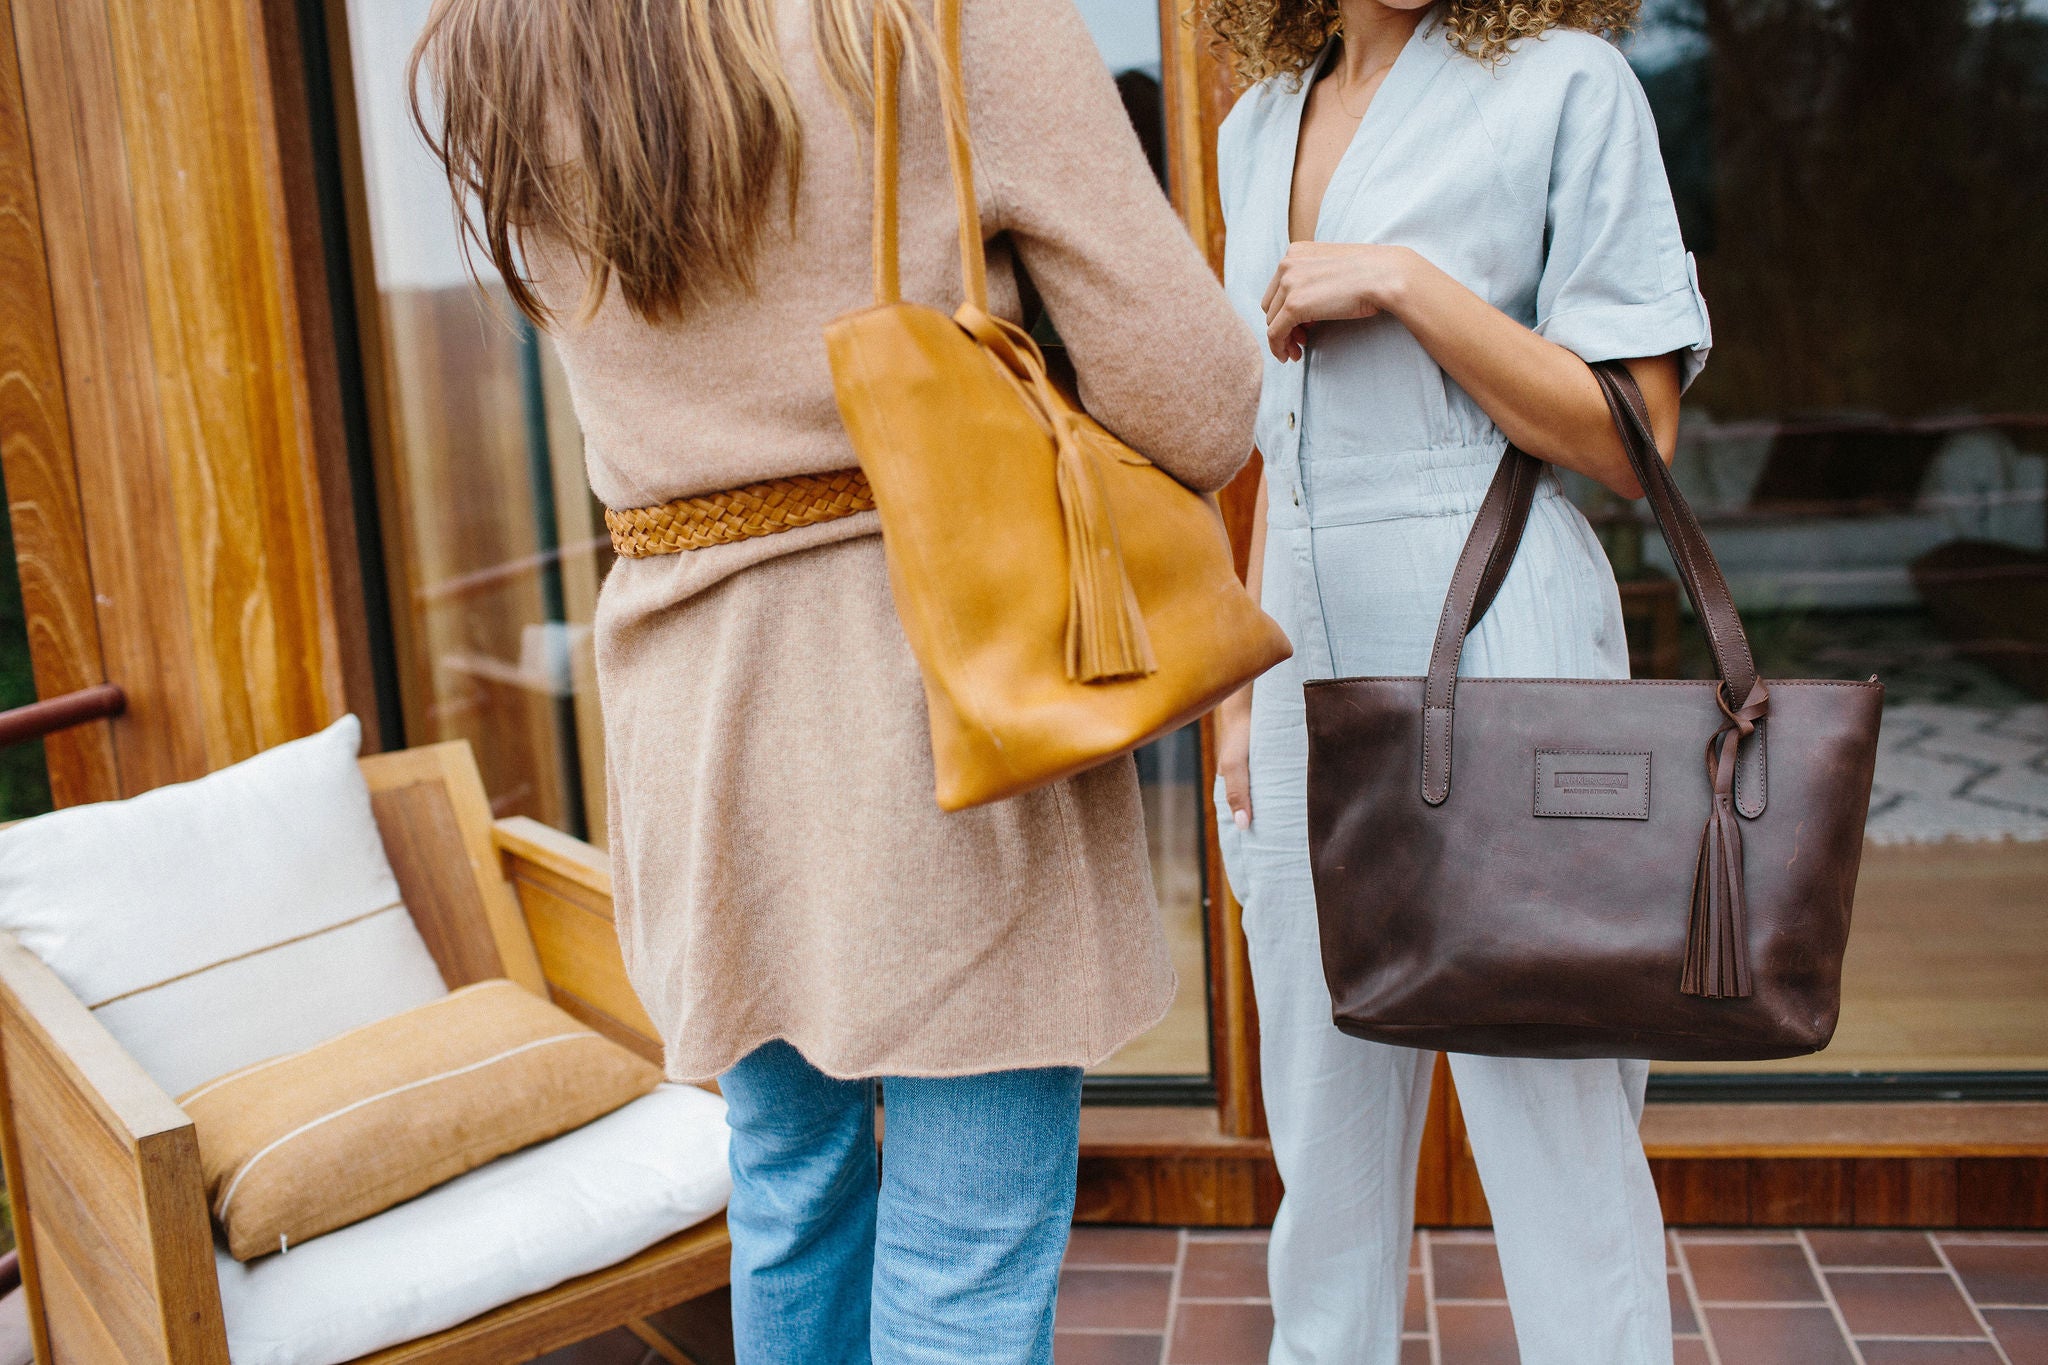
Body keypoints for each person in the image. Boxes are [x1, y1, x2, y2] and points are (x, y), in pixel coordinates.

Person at [409, 1, 1260, 1360]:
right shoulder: (941, 21)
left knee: (789, 1188)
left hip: (694, 708)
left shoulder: (505, 41)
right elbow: (1203, 400)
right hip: (943, 688)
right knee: (963, 1256)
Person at [1207, 1, 1710, 1362]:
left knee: (1556, 1143)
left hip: (1500, 636)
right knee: (1324, 1158)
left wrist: (1410, 287)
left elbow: (1633, 435)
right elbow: (1281, 441)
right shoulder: (1255, 126)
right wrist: (1238, 702)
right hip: (1299, 666)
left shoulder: (1565, 86)